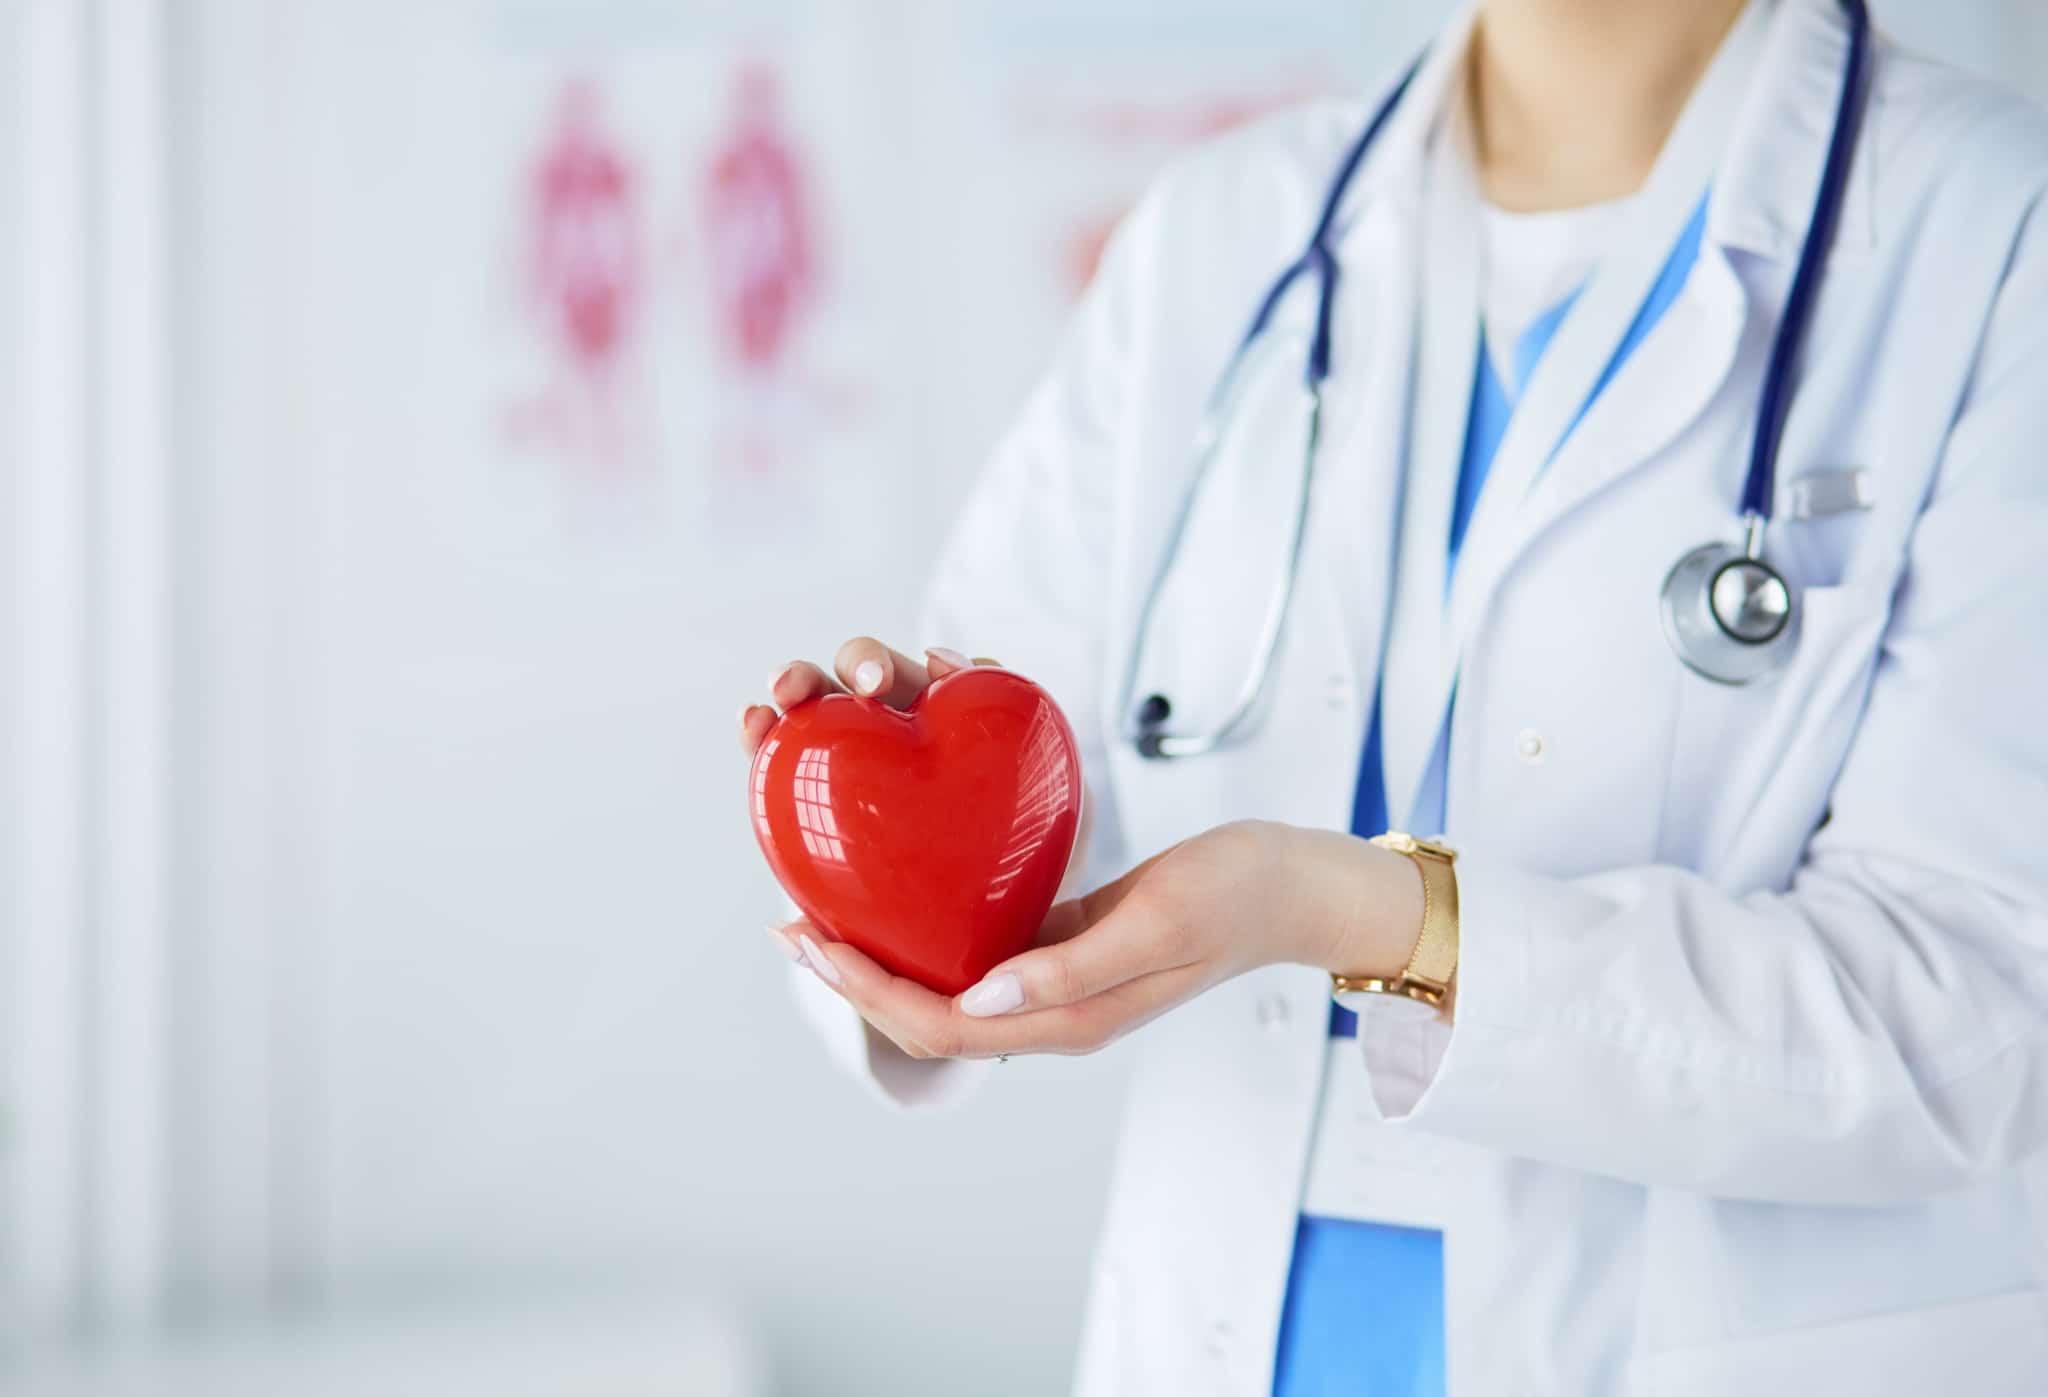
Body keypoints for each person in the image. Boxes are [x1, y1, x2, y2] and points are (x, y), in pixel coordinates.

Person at [738, 1, 2048, 1392]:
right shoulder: (1228, 234)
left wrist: (1357, 914)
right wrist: (892, 867)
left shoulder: (1994, 233)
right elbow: (989, 762)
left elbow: (1972, 1014)